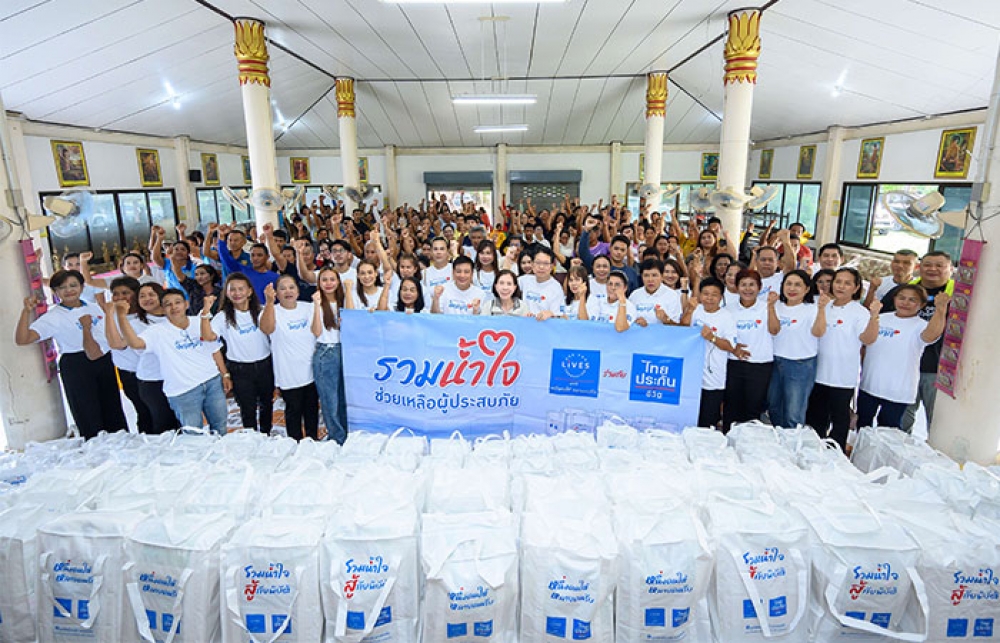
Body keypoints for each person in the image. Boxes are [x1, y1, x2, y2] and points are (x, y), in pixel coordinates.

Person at [16, 270, 126, 438]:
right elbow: (23, 339)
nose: (69, 290)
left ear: (82, 287)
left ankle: (120, 443)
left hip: (103, 360)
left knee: (112, 408)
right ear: (55, 291)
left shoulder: (93, 307)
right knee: (87, 412)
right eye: (62, 287)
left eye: (73, 285)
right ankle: (95, 446)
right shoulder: (54, 316)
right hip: (76, 363)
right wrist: (26, 311)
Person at [116, 288, 230, 433]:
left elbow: (214, 349)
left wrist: (225, 374)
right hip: (183, 390)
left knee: (220, 426)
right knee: (193, 434)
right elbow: (135, 344)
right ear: (163, 309)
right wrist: (121, 316)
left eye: (177, 302)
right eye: (168, 304)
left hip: (212, 382)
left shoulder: (199, 322)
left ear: (186, 304)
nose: (174, 307)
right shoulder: (157, 331)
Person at [879, 250, 954, 433]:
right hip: (903, 368)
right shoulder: (903, 290)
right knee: (900, 421)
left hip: (938, 370)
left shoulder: (960, 296)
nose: (932, 269)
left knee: (938, 424)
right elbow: (880, 320)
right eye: (928, 265)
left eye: (939, 265)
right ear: (920, 267)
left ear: (951, 269)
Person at [806, 268, 881, 449]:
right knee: (815, 417)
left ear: (856, 288)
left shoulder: (859, 312)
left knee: (839, 419)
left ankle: (835, 453)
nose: (841, 286)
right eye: (838, 281)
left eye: (847, 283)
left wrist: (874, 317)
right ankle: (813, 451)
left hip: (842, 376)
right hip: (818, 373)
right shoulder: (823, 306)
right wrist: (821, 308)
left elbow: (868, 339)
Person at [858, 286, 950, 430]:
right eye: (901, 298)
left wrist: (941, 309)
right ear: (894, 299)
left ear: (922, 304)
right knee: (862, 426)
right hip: (869, 386)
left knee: (888, 432)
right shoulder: (880, 318)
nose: (905, 303)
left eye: (912, 300)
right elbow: (865, 342)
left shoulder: (921, 325)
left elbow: (931, 335)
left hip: (898, 391)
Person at [202, 273, 273, 433]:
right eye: (232, 289)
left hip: (265, 365)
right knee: (247, 407)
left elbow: (269, 329)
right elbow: (208, 337)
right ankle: (251, 437)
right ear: (227, 293)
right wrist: (206, 312)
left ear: (249, 291)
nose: (237, 293)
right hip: (240, 369)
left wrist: (270, 302)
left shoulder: (261, 310)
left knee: (266, 404)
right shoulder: (223, 317)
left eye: (241, 289)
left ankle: (266, 435)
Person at [104, 282, 180, 433]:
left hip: (177, 377)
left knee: (180, 420)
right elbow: (116, 344)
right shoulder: (134, 323)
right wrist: (111, 314)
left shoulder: (175, 317)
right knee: (159, 422)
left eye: (151, 294)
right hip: (151, 380)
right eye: (142, 296)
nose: (147, 299)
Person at [260, 277, 319, 441]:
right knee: (293, 411)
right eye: (282, 288)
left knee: (312, 410)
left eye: (291, 287)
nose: (288, 291)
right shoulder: (271, 311)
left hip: (311, 371)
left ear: (298, 291)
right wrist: (269, 302)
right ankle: (295, 443)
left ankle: (313, 441)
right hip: (288, 374)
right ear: (276, 293)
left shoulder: (309, 307)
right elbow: (266, 329)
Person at [766, 270, 826, 429]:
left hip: (800, 364)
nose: (792, 288)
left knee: (794, 412)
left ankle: (793, 440)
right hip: (776, 362)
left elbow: (818, 332)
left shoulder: (812, 308)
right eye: (789, 284)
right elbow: (773, 330)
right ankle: (780, 435)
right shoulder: (776, 306)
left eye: (798, 285)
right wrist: (771, 307)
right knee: (773, 405)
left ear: (807, 289)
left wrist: (821, 310)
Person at [681, 277, 737, 428]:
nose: (709, 298)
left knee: (707, 422)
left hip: (714, 379)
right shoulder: (696, 310)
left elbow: (730, 346)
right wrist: (690, 309)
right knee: (689, 421)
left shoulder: (727, 317)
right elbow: (682, 329)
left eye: (714, 294)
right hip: (692, 377)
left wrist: (712, 338)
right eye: (706, 294)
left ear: (721, 297)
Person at [722, 269, 774, 430]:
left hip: (760, 365)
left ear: (759, 287)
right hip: (734, 363)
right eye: (743, 285)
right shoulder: (728, 310)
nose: (747, 289)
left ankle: (750, 441)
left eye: (752, 285)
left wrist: (772, 307)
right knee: (731, 406)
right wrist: (733, 348)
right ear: (737, 287)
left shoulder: (767, 307)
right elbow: (722, 335)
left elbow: (775, 330)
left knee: (753, 408)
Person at [312, 266, 348, 444]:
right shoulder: (316, 303)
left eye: (332, 279)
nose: (328, 283)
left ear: (338, 282)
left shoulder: (344, 301)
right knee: (329, 400)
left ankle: (346, 433)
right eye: (324, 279)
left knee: (344, 398)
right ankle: (336, 436)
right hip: (325, 352)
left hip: (345, 352)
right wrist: (316, 306)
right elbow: (316, 332)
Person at [628, 258, 682, 326]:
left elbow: (678, 327)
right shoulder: (634, 295)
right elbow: (627, 320)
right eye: (646, 275)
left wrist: (666, 319)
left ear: (662, 276)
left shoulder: (672, 296)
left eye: (654, 275)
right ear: (641, 277)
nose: (650, 280)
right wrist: (635, 322)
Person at [518, 246, 564, 320]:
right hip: (525, 323)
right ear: (532, 264)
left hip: (544, 325)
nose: (541, 267)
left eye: (546, 263)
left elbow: (561, 317)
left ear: (552, 266)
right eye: (538, 262)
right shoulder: (524, 280)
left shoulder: (556, 288)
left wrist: (551, 314)